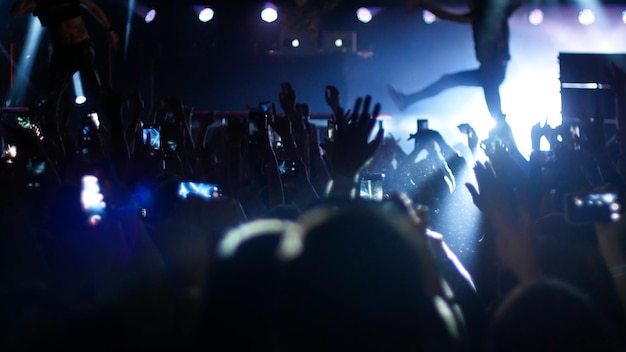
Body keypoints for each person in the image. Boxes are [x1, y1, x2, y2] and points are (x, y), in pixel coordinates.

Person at [10, 0, 119, 152]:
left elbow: (93, 7)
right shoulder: (39, 2)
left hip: (81, 47)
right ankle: (59, 146)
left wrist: (110, 29)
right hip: (62, 54)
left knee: (97, 89)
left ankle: (114, 133)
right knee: (53, 102)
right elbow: (16, 12)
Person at [387, 0, 520, 123]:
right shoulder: (478, 17)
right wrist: (422, 4)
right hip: (488, 71)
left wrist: (421, 3)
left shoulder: (493, 14)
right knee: (448, 82)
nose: (469, 3)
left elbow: (446, 15)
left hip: (492, 71)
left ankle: (406, 101)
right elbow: (446, 16)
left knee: (497, 116)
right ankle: (407, 101)